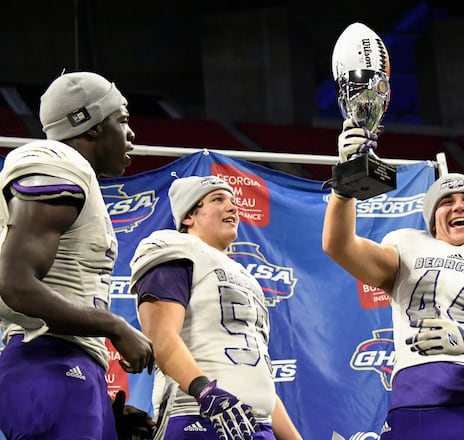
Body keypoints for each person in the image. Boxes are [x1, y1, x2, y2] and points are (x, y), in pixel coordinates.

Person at [322, 119, 464, 439]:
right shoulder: (407, 244)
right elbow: (339, 245)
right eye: (446, 201)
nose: (458, 205)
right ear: (432, 220)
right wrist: (344, 185)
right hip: (415, 405)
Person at [0, 71, 155, 438]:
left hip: (63, 366)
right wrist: (114, 325)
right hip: (47, 360)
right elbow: (15, 283)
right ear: (90, 126)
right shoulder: (55, 160)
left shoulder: (77, 175)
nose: (131, 133)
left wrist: (102, 407)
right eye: (122, 119)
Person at [129, 176, 302, 440]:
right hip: (197, 415)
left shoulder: (247, 278)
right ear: (188, 216)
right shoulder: (177, 247)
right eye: (218, 199)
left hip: (256, 424)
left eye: (233, 201)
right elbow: (161, 336)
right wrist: (205, 392)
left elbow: (257, 376)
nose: (233, 207)